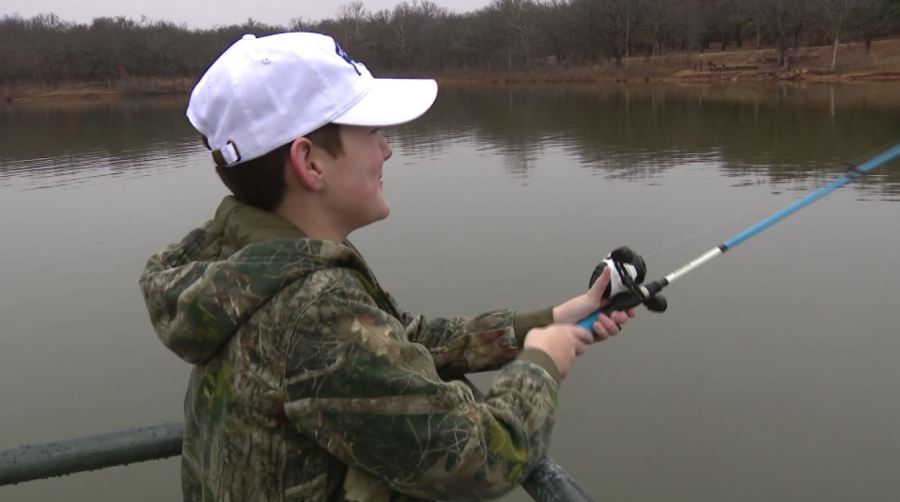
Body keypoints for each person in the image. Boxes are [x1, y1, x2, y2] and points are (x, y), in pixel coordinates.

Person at [139, 31, 635, 502]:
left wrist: (550, 320)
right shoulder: (312, 307)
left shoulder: (242, 264)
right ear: (310, 163)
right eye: (373, 132)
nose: (388, 149)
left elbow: (392, 340)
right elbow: (483, 457)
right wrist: (542, 362)